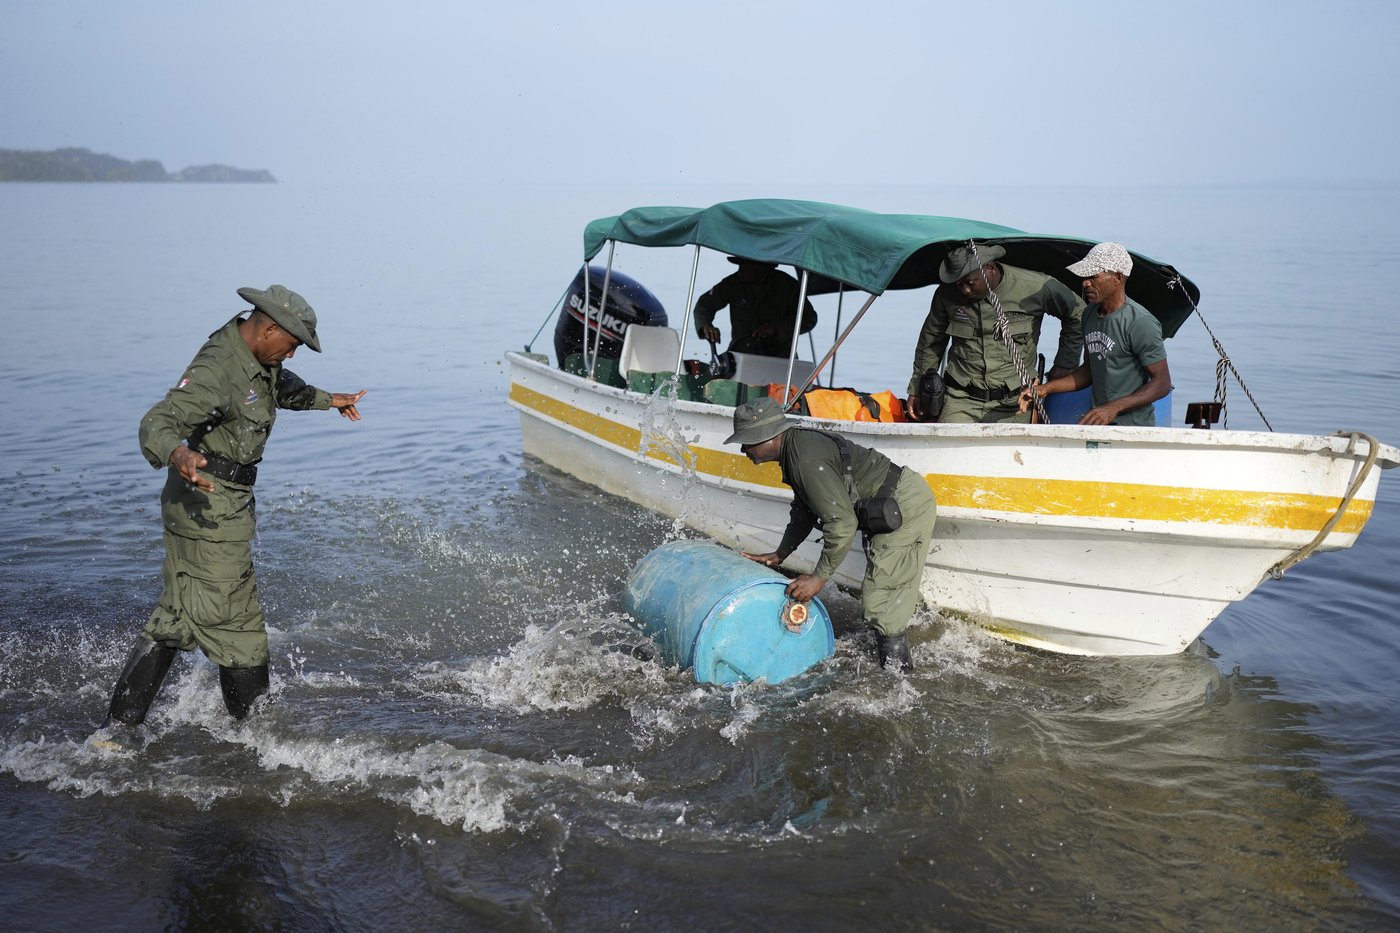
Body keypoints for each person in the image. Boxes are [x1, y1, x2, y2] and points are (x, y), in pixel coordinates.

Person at [100, 285, 367, 735]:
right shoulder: (217, 369)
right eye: (294, 344)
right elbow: (157, 422)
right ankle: (257, 737)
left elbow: (279, 386)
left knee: (177, 616)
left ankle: (117, 732)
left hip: (217, 503)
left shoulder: (259, 358)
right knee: (238, 621)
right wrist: (178, 455)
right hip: (206, 502)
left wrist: (328, 400)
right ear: (270, 329)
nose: (294, 355)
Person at [725, 397, 936, 671]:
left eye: (746, 440)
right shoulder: (795, 449)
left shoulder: (804, 457)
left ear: (767, 436)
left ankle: (899, 683)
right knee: (892, 590)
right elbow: (803, 510)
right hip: (886, 505)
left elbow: (842, 523)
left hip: (903, 505)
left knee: (879, 602)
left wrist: (819, 578)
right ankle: (930, 633)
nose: (743, 449)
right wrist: (781, 553)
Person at [907, 243, 1084, 423]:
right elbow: (930, 341)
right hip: (960, 399)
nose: (965, 290)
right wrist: (916, 388)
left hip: (1016, 401)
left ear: (990, 269)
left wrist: (1065, 362)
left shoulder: (1037, 286)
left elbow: (1078, 314)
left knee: (1016, 452)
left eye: (969, 282)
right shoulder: (946, 295)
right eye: (959, 284)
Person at [1018, 242, 1170, 426]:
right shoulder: (1089, 314)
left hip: (1132, 427)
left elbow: (1162, 383)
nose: (1085, 282)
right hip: (1099, 423)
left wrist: (1113, 408)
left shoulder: (1139, 322)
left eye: (1093, 276)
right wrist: (1044, 389)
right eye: (1085, 276)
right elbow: (1088, 371)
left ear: (1117, 278)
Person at [694, 257, 817, 358]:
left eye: (747, 266)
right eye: (740, 265)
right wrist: (706, 325)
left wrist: (776, 328)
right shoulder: (732, 283)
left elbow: (809, 318)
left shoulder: (787, 286)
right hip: (740, 355)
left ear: (763, 267)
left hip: (780, 358)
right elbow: (704, 304)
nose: (741, 270)